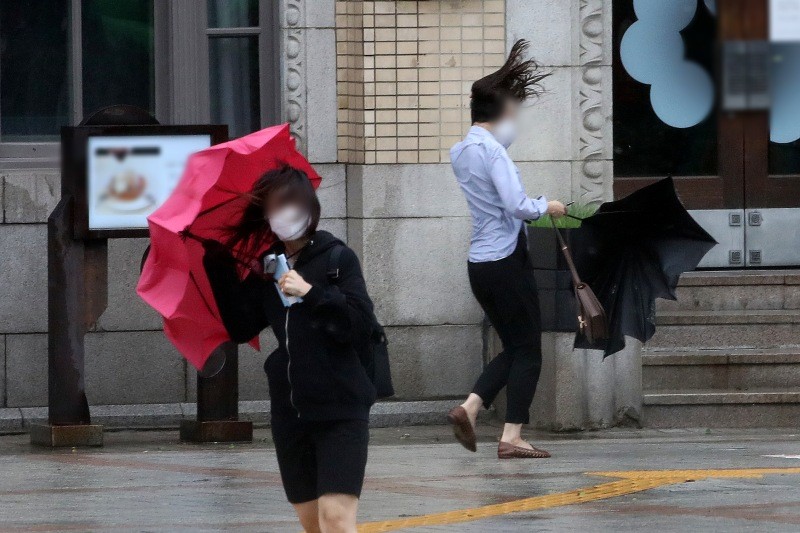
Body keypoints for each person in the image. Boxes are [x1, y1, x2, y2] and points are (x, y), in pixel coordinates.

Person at [202, 166, 376, 533]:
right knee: (312, 524)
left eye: (293, 204)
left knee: (337, 520)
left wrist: (311, 292)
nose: (286, 214)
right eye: (275, 207)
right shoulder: (269, 268)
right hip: (292, 413)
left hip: (341, 408)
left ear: (310, 208)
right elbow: (241, 327)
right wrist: (217, 266)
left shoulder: (336, 259)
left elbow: (358, 325)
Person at [447, 39, 567, 459]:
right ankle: (512, 435)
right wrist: (547, 205)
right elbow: (518, 206)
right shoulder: (493, 152)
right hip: (506, 261)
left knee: (514, 345)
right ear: (498, 113)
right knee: (529, 349)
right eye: (513, 111)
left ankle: (471, 406)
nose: (516, 120)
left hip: (479, 264)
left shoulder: (460, 151)